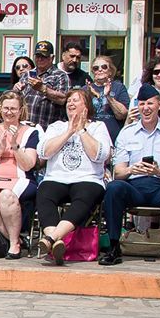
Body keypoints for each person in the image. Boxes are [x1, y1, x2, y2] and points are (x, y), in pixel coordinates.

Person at [100, 84, 160, 269]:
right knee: (113, 187)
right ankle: (113, 247)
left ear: (159, 105)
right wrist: (132, 170)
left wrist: (159, 171)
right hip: (134, 186)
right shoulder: (127, 133)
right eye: (141, 104)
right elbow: (118, 172)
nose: (145, 108)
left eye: (150, 103)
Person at [35, 89, 112, 265]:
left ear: (87, 106)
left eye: (76, 100)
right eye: (69, 100)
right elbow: (43, 152)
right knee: (44, 192)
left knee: (85, 195)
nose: (70, 103)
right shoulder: (56, 127)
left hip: (88, 178)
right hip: (57, 177)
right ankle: (57, 242)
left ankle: (51, 238)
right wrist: (69, 132)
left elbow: (99, 155)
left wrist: (82, 130)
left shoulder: (98, 127)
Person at [0, 91, 39, 259]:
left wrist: (15, 146)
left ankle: (13, 244)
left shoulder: (31, 132)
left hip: (21, 177)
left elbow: (29, 164)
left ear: (20, 111)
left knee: (6, 196)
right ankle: (15, 238)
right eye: (6, 108)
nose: (9, 112)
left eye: (13, 108)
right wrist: (0, 151)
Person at [14, 41, 70, 132]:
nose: (40, 59)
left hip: (48, 129)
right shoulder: (27, 74)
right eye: (38, 56)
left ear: (52, 58)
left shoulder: (60, 76)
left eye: (44, 56)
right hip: (25, 128)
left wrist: (42, 89)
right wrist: (15, 90)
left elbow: (63, 99)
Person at [85, 54, 129, 142]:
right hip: (91, 138)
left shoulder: (119, 87)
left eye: (104, 67)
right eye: (96, 68)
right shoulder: (85, 89)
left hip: (114, 140)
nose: (100, 70)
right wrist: (88, 96)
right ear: (93, 72)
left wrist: (108, 96)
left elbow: (122, 114)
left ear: (110, 71)